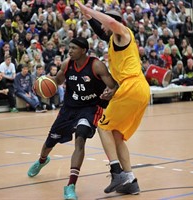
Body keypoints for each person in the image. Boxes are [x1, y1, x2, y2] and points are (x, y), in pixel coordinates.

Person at [27, 37, 117, 199]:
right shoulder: (67, 64)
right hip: (69, 108)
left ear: (83, 50)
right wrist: (42, 85)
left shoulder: (96, 65)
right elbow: (57, 81)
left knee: (80, 138)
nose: (70, 51)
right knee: (51, 141)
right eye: (70, 47)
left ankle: (70, 185)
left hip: (90, 108)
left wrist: (111, 92)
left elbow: (113, 85)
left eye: (74, 48)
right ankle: (41, 161)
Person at [77, 2, 150, 195]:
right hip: (136, 88)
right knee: (116, 135)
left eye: (104, 23)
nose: (102, 26)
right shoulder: (113, 42)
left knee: (102, 125)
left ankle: (116, 171)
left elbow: (109, 22)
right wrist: (113, 88)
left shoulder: (123, 33)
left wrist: (88, 10)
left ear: (113, 24)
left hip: (133, 87)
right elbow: (102, 31)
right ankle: (130, 179)